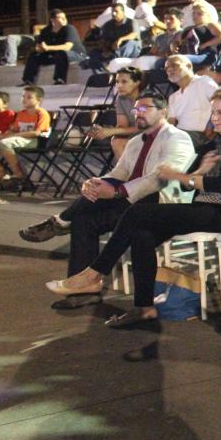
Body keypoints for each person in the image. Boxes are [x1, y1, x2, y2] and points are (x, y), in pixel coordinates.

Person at [43, 91, 221, 328]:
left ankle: (94, 273)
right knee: (140, 233)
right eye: (213, 112)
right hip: (204, 209)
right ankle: (144, 307)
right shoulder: (213, 145)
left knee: (138, 212)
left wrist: (181, 175)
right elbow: (188, 181)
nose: (214, 118)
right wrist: (195, 172)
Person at [20, 91, 196, 309]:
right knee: (85, 220)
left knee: (97, 204)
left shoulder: (177, 138)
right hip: (130, 204)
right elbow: (118, 174)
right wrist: (94, 183)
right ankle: (83, 289)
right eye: (135, 109)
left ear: (163, 111)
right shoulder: (135, 142)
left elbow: (160, 178)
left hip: (161, 204)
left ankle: (61, 221)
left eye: (144, 108)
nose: (137, 113)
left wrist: (116, 191)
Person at [0, 86, 51, 189]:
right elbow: (14, 130)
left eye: (29, 97)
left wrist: (13, 136)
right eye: (23, 96)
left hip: (35, 141)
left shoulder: (41, 113)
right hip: (18, 139)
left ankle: (18, 174)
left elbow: (36, 133)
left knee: (5, 143)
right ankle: (0, 172)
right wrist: (4, 135)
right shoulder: (21, 113)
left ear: (39, 100)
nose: (24, 99)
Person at [88, 67, 144, 160]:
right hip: (136, 136)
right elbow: (122, 125)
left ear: (137, 83)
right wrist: (103, 131)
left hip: (154, 136)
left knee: (120, 140)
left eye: (124, 82)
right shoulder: (121, 99)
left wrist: (111, 131)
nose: (119, 85)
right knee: (117, 141)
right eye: (117, 82)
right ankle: (127, 173)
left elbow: (144, 127)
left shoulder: (148, 99)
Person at [20, 9, 87, 85]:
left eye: (64, 17)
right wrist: (39, 49)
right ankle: (28, 81)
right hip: (56, 56)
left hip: (77, 54)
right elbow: (39, 46)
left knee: (61, 53)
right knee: (34, 55)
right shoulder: (46, 31)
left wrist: (48, 48)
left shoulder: (69, 28)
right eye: (60, 18)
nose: (64, 19)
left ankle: (60, 79)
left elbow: (67, 47)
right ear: (52, 20)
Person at [108, 7, 184, 73]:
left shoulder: (182, 33)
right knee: (116, 62)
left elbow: (173, 52)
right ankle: (118, 88)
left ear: (180, 21)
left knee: (143, 61)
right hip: (152, 59)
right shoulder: (160, 37)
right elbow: (152, 52)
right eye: (165, 18)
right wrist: (141, 57)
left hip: (166, 61)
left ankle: (143, 87)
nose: (167, 21)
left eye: (171, 19)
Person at [161, 2, 221, 73]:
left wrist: (205, 45)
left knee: (179, 59)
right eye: (193, 13)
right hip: (188, 54)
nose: (195, 16)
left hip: (205, 55)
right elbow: (176, 41)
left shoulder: (210, 25)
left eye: (199, 14)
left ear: (208, 15)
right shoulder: (188, 28)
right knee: (162, 62)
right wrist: (173, 46)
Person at [165, 55, 218, 145]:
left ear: (189, 66)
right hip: (179, 134)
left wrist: (211, 126)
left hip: (198, 135)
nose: (169, 70)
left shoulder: (203, 81)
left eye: (174, 65)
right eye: (166, 68)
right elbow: (171, 123)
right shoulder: (173, 97)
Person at [84, 3, 140, 73]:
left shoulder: (131, 22)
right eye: (112, 11)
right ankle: (100, 75)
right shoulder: (108, 25)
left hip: (129, 50)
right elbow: (103, 40)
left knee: (130, 43)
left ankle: (112, 60)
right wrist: (105, 50)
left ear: (123, 12)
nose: (113, 13)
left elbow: (134, 34)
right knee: (94, 53)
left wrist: (121, 39)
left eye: (116, 11)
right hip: (111, 50)